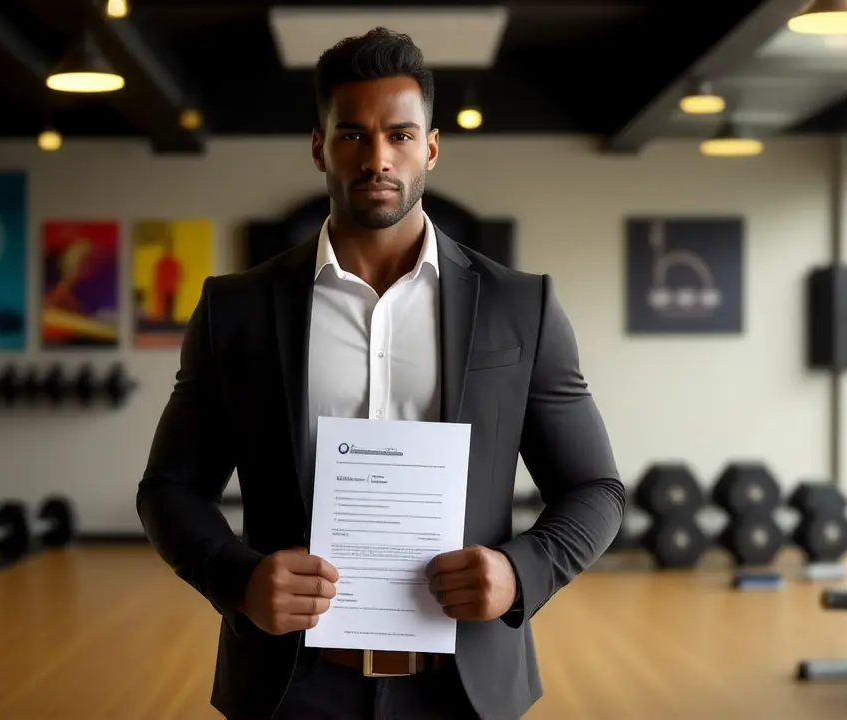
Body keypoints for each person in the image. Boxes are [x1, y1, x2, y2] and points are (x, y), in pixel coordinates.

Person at [137, 27, 625, 720]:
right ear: (319, 147)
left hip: (465, 687)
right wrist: (238, 580)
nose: (378, 158)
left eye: (399, 135)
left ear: (429, 146)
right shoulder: (236, 309)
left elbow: (595, 489)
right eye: (353, 136)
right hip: (290, 683)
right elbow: (168, 489)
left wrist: (523, 573)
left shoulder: (521, 307)